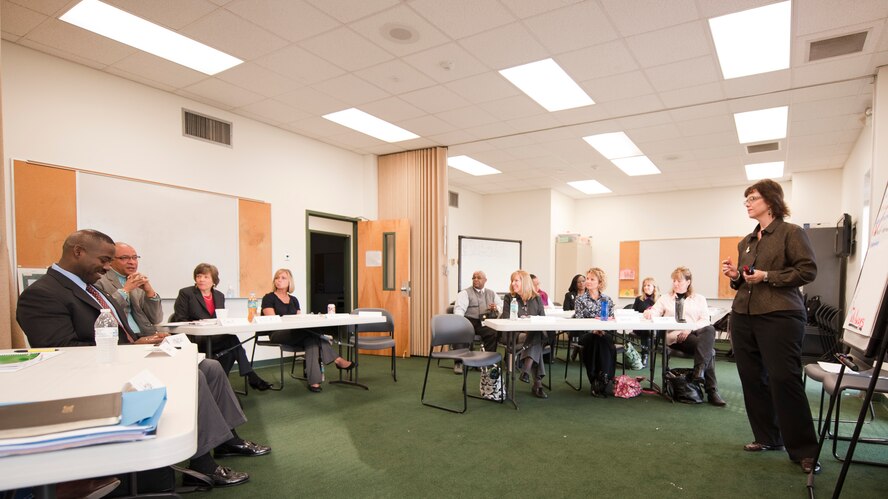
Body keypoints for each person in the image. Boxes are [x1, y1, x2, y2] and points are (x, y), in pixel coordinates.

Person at [16, 229, 269, 488]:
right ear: (78, 252)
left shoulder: (91, 288)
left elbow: (129, 324)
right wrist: (135, 346)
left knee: (211, 366)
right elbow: (63, 351)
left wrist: (143, 341)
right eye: (104, 260)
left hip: (131, 354)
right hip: (105, 368)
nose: (106, 267)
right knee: (193, 375)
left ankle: (227, 440)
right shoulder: (43, 294)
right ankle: (203, 463)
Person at [721, 179, 820, 474]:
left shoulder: (791, 233)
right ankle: (767, 437)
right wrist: (735, 274)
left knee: (784, 378)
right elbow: (744, 279)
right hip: (743, 314)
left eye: (753, 198)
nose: (748, 203)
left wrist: (767, 276)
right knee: (752, 378)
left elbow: (807, 270)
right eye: (746, 199)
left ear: (771, 200)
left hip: (781, 314)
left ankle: (804, 450)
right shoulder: (746, 242)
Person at [172, 263, 272, 391]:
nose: (201, 279)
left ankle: (221, 386)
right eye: (199, 276)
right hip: (195, 338)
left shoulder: (219, 296)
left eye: (206, 277)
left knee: (230, 352)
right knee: (232, 340)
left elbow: (220, 319)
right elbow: (180, 319)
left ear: (214, 280)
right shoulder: (186, 293)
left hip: (213, 337)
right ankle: (250, 376)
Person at [260, 268, 355, 392]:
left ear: (290, 282)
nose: (279, 280)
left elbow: (300, 320)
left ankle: (314, 382)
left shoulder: (294, 300)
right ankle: (336, 358)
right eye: (277, 278)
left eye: (283, 278)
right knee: (311, 333)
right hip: (277, 334)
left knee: (311, 339)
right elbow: (272, 321)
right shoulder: (268, 298)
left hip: (297, 333)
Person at [644, 267, 725, 406]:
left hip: (695, 332)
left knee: (710, 329)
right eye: (674, 281)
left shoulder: (699, 299)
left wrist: (688, 328)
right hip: (677, 336)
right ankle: (711, 391)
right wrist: (649, 312)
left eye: (679, 281)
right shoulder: (665, 298)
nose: (675, 284)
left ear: (688, 282)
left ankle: (700, 372)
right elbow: (655, 312)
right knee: (709, 351)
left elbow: (705, 320)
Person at [94, 242, 166, 340]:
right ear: (110, 261)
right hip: (120, 336)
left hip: (145, 334)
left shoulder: (136, 279)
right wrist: (125, 290)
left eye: (135, 257)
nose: (132, 262)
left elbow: (155, 318)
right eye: (124, 258)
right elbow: (104, 312)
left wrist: (150, 292)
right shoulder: (99, 280)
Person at [500, 270, 548, 399]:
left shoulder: (536, 298)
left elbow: (542, 319)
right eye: (512, 280)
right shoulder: (509, 298)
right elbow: (506, 318)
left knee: (535, 336)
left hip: (533, 335)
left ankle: (526, 371)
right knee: (536, 340)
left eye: (516, 280)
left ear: (525, 282)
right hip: (515, 334)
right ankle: (536, 383)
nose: (513, 283)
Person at [573, 267, 616, 397]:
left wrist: (602, 329)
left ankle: (599, 379)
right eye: (587, 279)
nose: (588, 281)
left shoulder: (607, 299)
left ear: (600, 282)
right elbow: (579, 322)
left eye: (592, 279)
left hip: (604, 334)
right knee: (595, 340)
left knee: (602, 340)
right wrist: (593, 329)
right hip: (586, 334)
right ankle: (603, 379)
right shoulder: (580, 300)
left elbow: (612, 319)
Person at [452, 270, 502, 374]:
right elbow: (459, 310)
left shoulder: (491, 293)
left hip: (485, 322)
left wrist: (496, 307)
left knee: (493, 332)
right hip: (469, 320)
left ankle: (487, 361)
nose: (475, 280)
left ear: (485, 280)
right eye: (473, 278)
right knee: (460, 330)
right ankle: (459, 362)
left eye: (478, 278)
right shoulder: (465, 293)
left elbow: (502, 307)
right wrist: (460, 323)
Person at [632, 277, 659, 367]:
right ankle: (645, 355)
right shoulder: (639, 299)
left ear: (654, 287)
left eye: (648, 285)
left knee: (655, 331)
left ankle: (663, 354)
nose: (646, 287)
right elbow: (633, 313)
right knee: (646, 330)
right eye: (644, 286)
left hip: (655, 326)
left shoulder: (659, 299)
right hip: (641, 326)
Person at [562, 273, 585, 361]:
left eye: (583, 281)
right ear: (575, 284)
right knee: (580, 330)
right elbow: (566, 310)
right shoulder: (569, 295)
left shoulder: (590, 295)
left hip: (587, 322)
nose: (581, 283)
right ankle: (579, 349)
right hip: (573, 323)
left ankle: (577, 348)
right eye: (579, 282)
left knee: (585, 330)